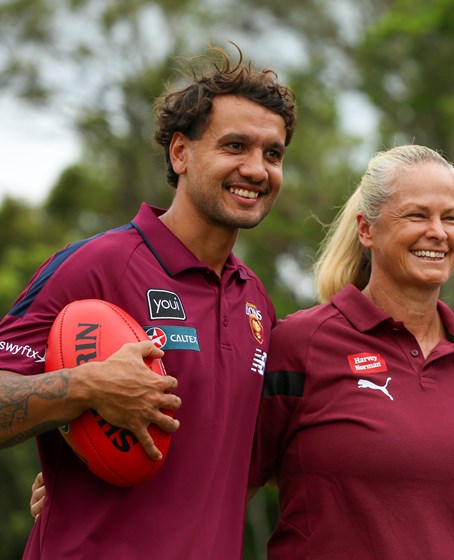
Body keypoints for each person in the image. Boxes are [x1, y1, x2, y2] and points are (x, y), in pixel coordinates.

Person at [0, 44, 296, 558]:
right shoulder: (95, 266)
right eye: (235, 146)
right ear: (180, 152)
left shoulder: (257, 303)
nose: (256, 168)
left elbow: (248, 463)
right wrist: (85, 386)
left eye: (273, 154)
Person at [248, 144, 454, 559]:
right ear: (367, 229)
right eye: (417, 215)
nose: (438, 232)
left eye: (451, 218)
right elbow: (231, 489)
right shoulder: (299, 344)